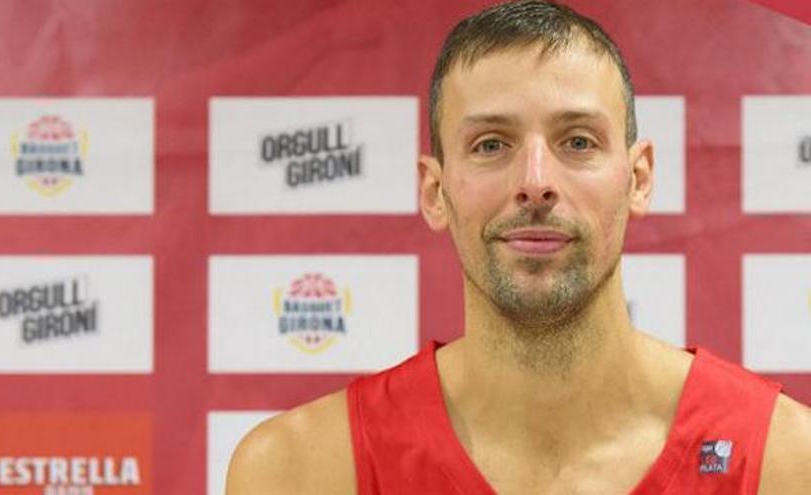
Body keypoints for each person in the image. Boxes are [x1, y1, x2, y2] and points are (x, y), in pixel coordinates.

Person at [226, 1, 811, 493]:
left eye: (577, 140)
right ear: (434, 191)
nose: (535, 180)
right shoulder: (301, 471)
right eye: (490, 145)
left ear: (639, 179)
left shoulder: (785, 462)